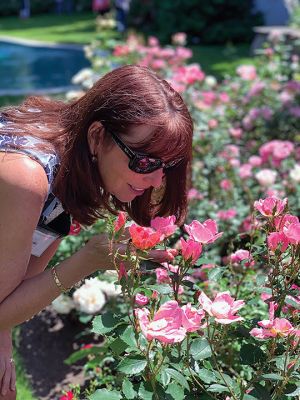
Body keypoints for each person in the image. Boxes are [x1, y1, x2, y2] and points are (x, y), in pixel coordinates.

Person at [0, 65, 193, 399]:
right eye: (145, 162)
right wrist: (88, 260)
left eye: (168, 165)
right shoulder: (27, 176)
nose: (157, 181)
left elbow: (11, 292)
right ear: (98, 135)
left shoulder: (71, 164)